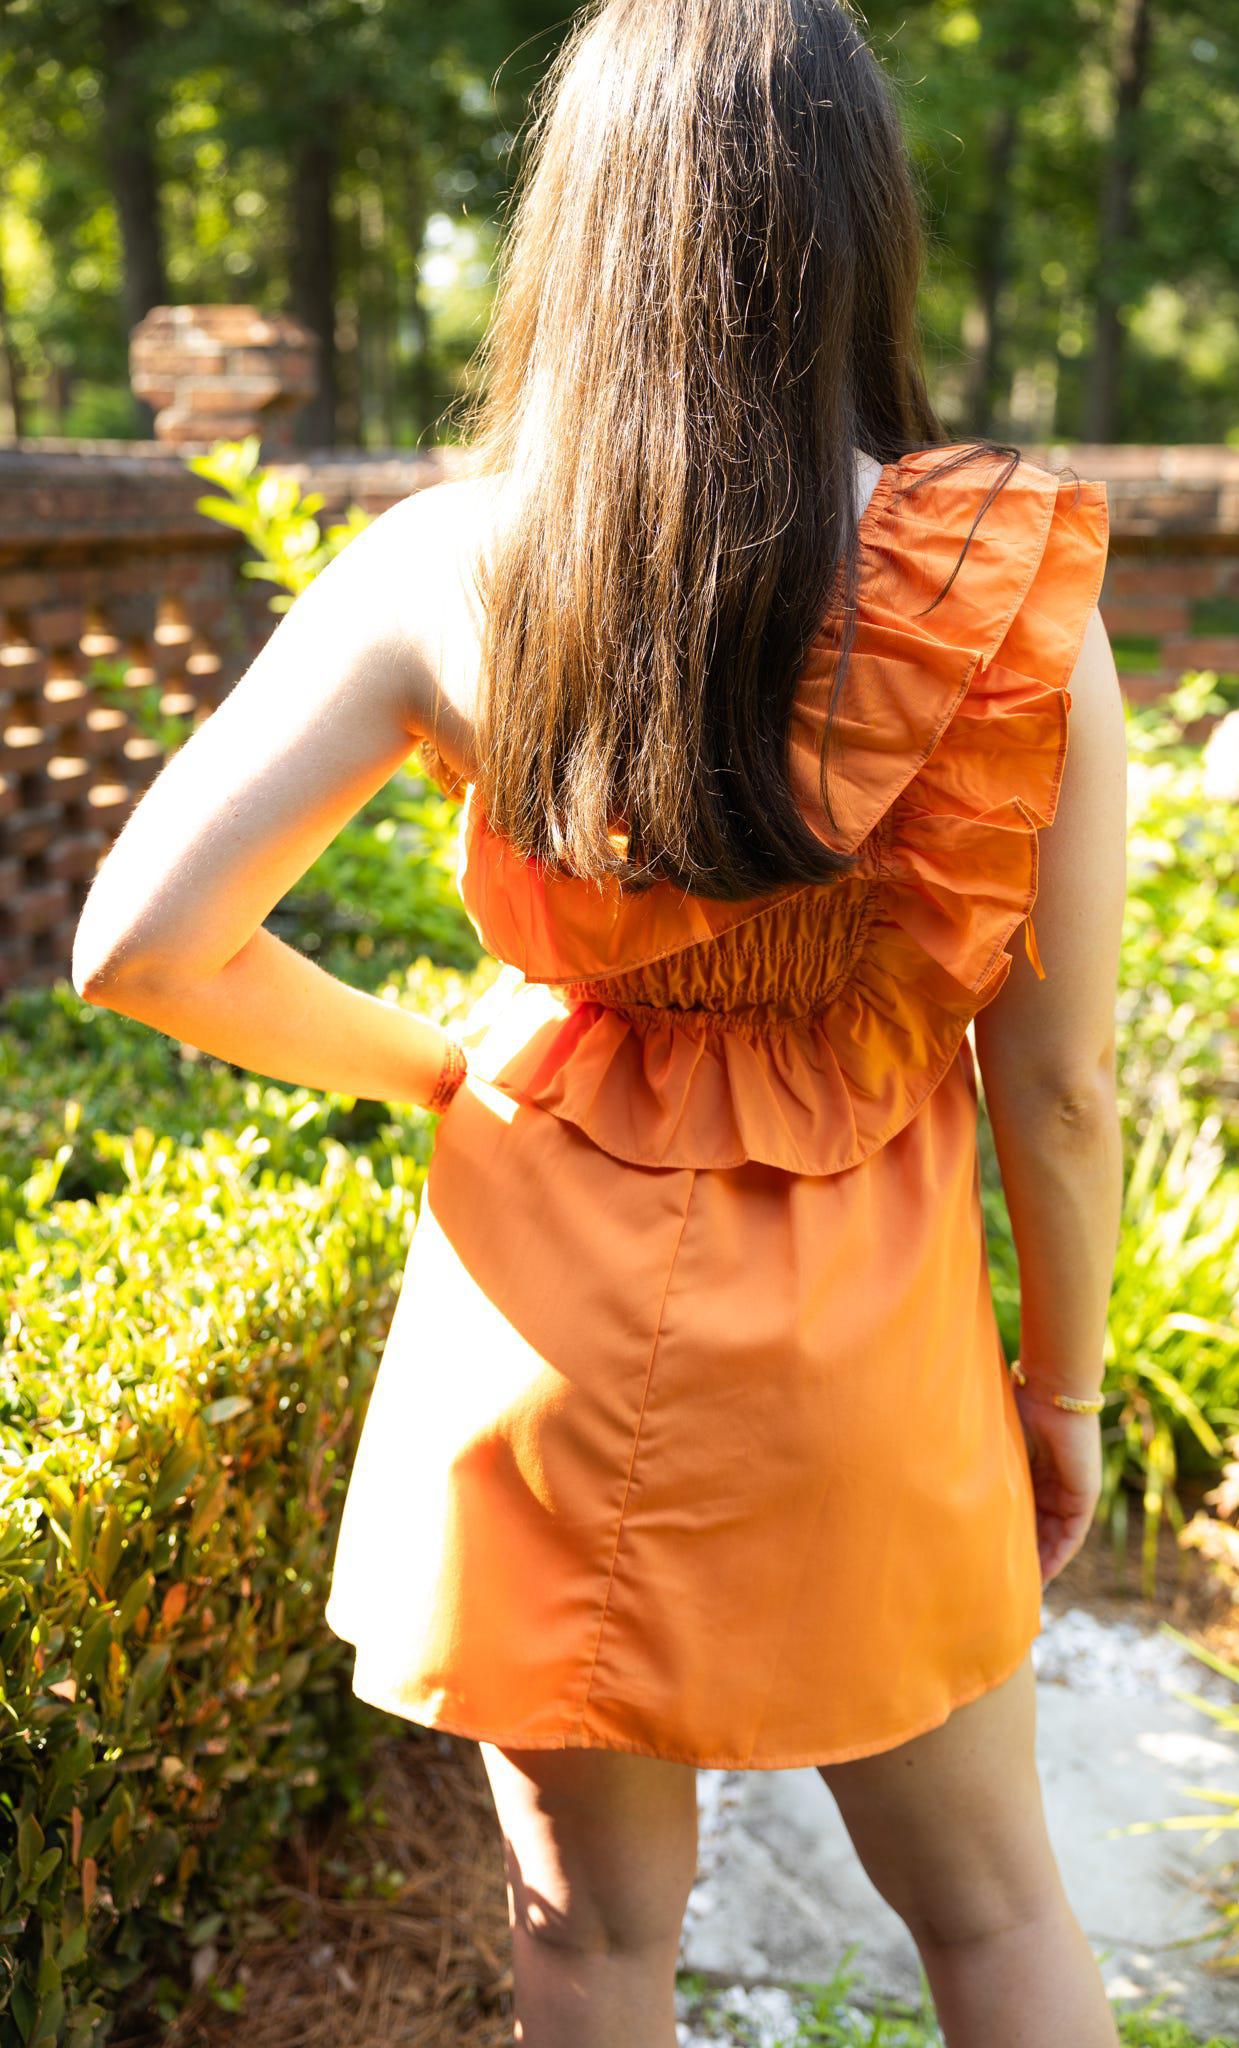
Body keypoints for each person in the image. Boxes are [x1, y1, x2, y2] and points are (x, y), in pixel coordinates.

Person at [71, 0, 1128, 2042]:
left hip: (535, 1328)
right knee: (994, 1912)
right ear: (859, 226)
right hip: (870, 1354)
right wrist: (1060, 1393)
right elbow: (1061, 1085)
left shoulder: (442, 563)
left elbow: (144, 945)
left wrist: (441, 1064)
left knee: (584, 1940)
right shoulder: (1004, 596)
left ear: (579, 225)